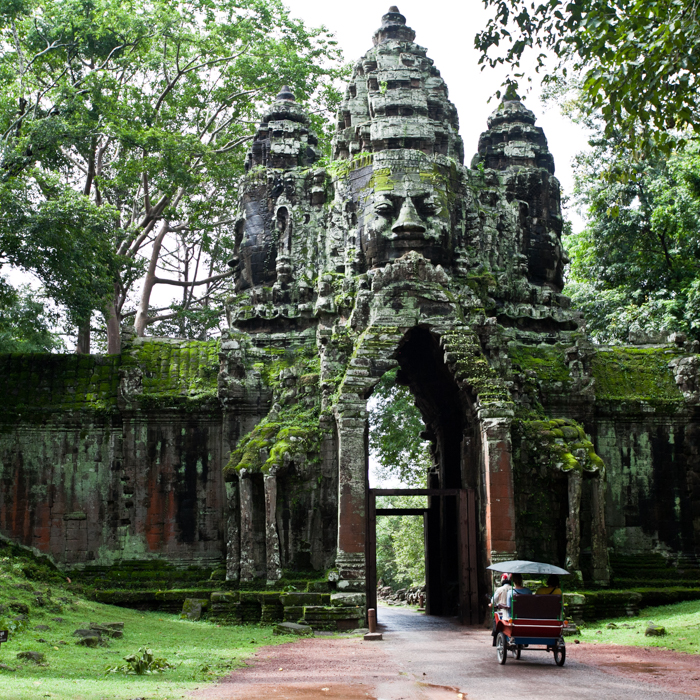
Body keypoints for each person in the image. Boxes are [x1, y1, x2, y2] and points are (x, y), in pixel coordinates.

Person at [491, 573, 511, 645]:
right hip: (513, 612)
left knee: (495, 617)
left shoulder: (499, 590)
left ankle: (495, 634)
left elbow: (493, 601)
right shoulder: (513, 589)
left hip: (503, 612)